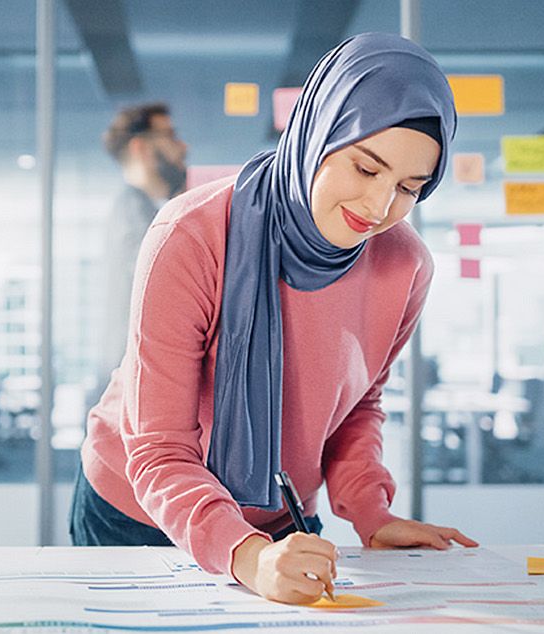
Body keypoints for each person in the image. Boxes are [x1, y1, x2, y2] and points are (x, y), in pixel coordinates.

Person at [72, 33, 477, 606]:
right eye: (366, 168)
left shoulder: (405, 265)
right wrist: (245, 555)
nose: (380, 206)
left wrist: (370, 512)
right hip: (139, 510)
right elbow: (158, 446)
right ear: (318, 133)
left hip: (280, 517)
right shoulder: (190, 235)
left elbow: (357, 405)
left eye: (410, 188)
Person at [98, 103, 189, 375]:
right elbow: (164, 277)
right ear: (141, 148)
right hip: (131, 378)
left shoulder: (145, 209)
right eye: (171, 136)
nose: (183, 147)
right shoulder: (133, 212)